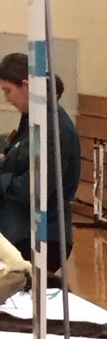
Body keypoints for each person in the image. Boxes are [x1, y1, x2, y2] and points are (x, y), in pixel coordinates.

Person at [0, 51, 79, 266]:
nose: (7, 99)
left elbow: (35, 188)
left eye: (8, 91)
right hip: (17, 230)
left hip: (37, 238)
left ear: (26, 86)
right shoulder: (33, 120)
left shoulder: (54, 129)